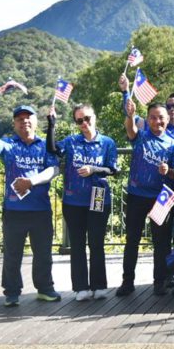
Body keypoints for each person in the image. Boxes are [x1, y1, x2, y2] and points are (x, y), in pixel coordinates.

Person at [0, 105, 61, 306]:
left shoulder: (45, 144)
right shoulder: (9, 144)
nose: (24, 121)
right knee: (12, 254)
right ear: (14, 124)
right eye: (19, 119)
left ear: (35, 121)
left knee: (43, 253)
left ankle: (45, 288)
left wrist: (32, 182)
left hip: (40, 209)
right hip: (14, 210)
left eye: (28, 117)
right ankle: (12, 292)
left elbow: (54, 169)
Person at [47, 104, 118, 301]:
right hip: (73, 199)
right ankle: (81, 287)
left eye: (87, 118)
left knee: (96, 242)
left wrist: (94, 169)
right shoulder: (71, 141)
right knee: (77, 244)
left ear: (94, 117)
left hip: (98, 195)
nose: (85, 123)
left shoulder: (107, 143)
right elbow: (52, 149)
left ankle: (99, 285)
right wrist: (51, 124)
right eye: (80, 120)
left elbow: (113, 169)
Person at [117, 100, 174, 297]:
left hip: (163, 197)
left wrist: (169, 171)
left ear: (168, 118)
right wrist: (130, 115)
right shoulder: (140, 137)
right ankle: (127, 282)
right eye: (153, 117)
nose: (157, 121)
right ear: (147, 119)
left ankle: (160, 282)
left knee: (161, 242)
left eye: (161, 117)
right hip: (137, 195)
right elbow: (130, 130)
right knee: (132, 240)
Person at [119, 74, 174, 199]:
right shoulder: (154, 125)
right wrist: (126, 91)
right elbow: (130, 116)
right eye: (169, 106)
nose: (172, 109)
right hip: (159, 188)